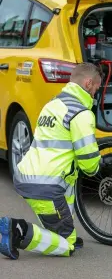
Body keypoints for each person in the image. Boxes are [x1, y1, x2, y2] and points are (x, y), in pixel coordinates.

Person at [0, 62, 104, 260]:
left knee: (68, 180)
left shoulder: (52, 105)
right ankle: (18, 230)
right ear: (89, 83)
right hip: (46, 187)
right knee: (66, 246)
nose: (96, 93)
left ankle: (63, 230)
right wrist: (99, 165)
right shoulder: (81, 114)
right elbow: (89, 164)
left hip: (27, 178)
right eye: (97, 87)